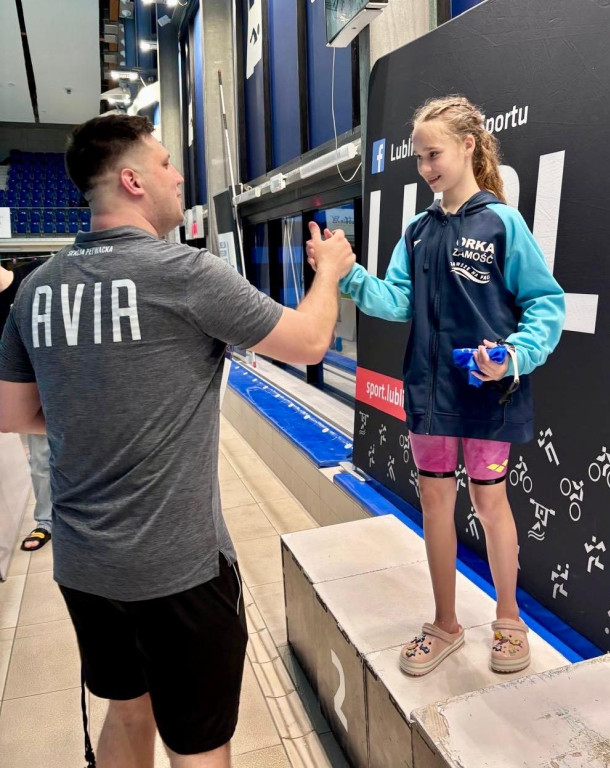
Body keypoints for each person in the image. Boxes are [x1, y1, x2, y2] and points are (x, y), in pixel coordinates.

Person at [0, 113, 354, 768]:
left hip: (83, 566)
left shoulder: (36, 289)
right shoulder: (186, 274)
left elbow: (12, 412)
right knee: (197, 745)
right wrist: (329, 270)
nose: (177, 175)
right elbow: (307, 342)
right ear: (132, 180)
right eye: (165, 163)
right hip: (179, 570)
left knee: (127, 714)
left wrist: (94, 417)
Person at [307, 95, 565, 676]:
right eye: (418, 157)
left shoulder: (502, 221)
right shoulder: (418, 232)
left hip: (488, 396)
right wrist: (345, 275)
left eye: (434, 154)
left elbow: (546, 303)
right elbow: (396, 301)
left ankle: (508, 621)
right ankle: (445, 623)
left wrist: (514, 357)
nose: (425, 167)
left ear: (469, 146)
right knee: (434, 501)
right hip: (427, 396)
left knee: (489, 500)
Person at [0, 261, 53, 551]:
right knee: (40, 459)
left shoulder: (33, 276)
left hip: (53, 377)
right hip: (21, 386)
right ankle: (45, 520)